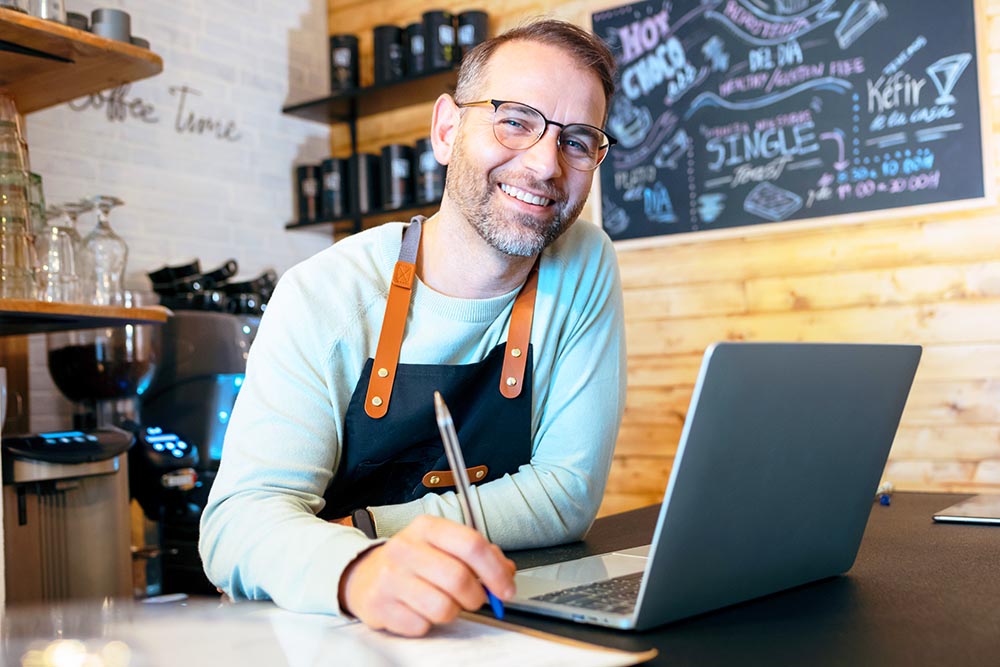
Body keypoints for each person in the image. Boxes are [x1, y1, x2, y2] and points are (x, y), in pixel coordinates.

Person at [199, 18, 626, 637]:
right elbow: (238, 522)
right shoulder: (323, 294)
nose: (544, 164)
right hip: (330, 632)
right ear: (448, 130)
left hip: (490, 623)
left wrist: (369, 527)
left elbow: (565, 494)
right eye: (515, 120)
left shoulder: (585, 262)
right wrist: (358, 565)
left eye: (578, 141)